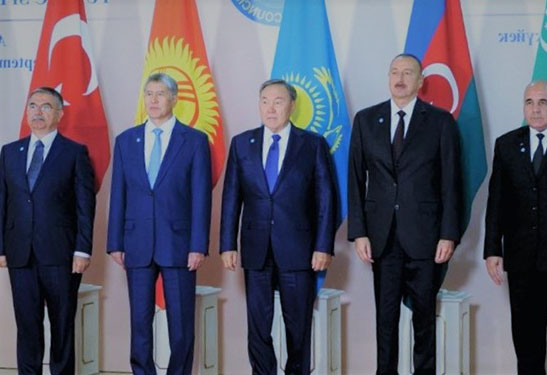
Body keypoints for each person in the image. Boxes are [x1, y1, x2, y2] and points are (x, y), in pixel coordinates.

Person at [348, 53, 462, 375]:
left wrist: (448, 234)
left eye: (408, 73)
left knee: (424, 320)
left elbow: (452, 182)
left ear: (420, 81)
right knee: (385, 321)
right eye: (395, 72)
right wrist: (359, 232)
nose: (400, 78)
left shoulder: (440, 122)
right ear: (388, 77)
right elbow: (355, 180)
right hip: (382, 239)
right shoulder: (366, 120)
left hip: (426, 238)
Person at [220, 79, 336, 375]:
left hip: (298, 249)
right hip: (256, 248)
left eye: (278, 101)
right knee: (257, 325)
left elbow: (326, 200)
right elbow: (232, 197)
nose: (270, 108)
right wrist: (227, 244)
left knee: (298, 325)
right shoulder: (242, 144)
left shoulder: (312, 145)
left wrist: (323, 245)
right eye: (265, 101)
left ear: (292, 106)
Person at [107, 72, 212, 375]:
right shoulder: (126, 140)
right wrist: (115, 242)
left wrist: (197, 245)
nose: (153, 100)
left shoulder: (193, 141)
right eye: (148, 94)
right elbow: (119, 194)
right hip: (136, 243)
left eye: (160, 94)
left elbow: (200, 198)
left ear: (174, 99)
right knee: (139, 323)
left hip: (179, 245)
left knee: (180, 325)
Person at [484, 80, 547, 374]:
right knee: (527, 340)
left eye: (542, 102)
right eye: (529, 102)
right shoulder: (507, 144)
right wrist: (492, 249)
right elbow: (496, 200)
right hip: (523, 260)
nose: (535, 109)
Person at [0, 87, 96, 374]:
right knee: (27, 326)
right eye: (32, 106)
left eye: (45, 107)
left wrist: (82, 248)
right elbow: (3, 203)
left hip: (61, 254)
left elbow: (84, 206)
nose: (37, 112)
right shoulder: (10, 152)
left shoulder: (75, 152)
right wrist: (1, 247)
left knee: (62, 326)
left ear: (59, 114)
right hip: (20, 254)